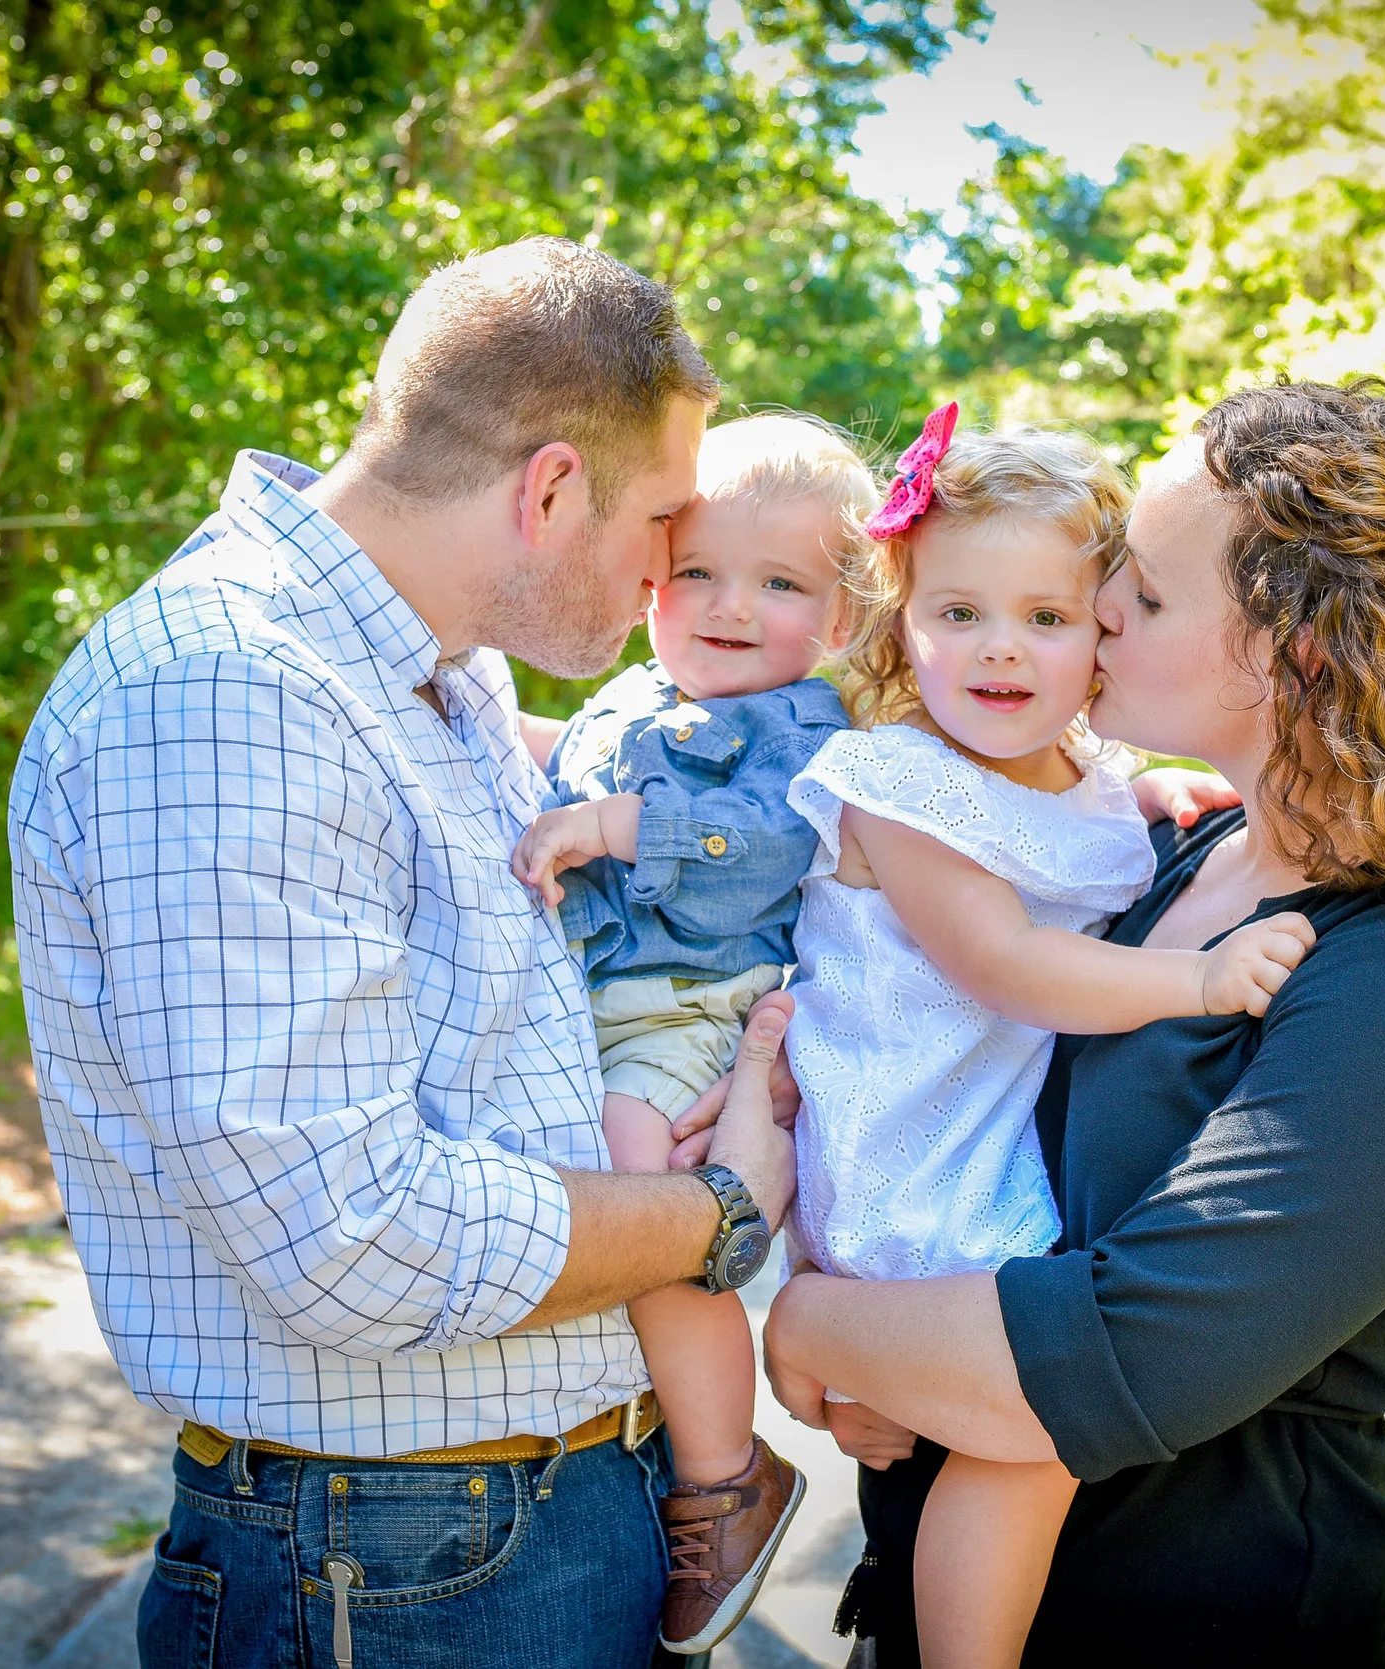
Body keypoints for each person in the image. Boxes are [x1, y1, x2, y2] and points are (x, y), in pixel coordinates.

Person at [744, 377, 1385, 1666]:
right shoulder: (1173, 858)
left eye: (1150, 594)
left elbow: (1112, 1359)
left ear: (1295, 653)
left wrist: (812, 1325)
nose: (1100, 607)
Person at [7, 236, 803, 1669]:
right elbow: (352, 1235)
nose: (667, 574)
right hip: (396, 1568)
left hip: (514, 1522)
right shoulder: (228, 694)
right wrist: (714, 1215)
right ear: (552, 488)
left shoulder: (441, 674)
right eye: (664, 523)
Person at [777, 409, 1314, 1669]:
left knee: (1015, 1441)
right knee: (1034, 1437)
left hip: (974, 1143)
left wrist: (1141, 792)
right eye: (957, 612)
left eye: (1046, 617)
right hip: (908, 1157)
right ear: (902, 621)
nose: (999, 649)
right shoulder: (893, 782)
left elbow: (1058, 830)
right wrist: (1194, 978)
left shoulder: (1080, 773)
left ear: (1102, 638)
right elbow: (1003, 961)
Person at [506, 413, 878, 1654]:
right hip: (606, 1001)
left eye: (780, 584)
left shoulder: (808, 729)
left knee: (636, 1187)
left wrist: (615, 828)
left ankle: (724, 1477)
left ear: (837, 617)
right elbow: (557, 767)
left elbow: (760, 850)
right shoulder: (631, 696)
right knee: (597, 1185)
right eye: (700, 574)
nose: (729, 607)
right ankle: (677, 1427)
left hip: (697, 1000)